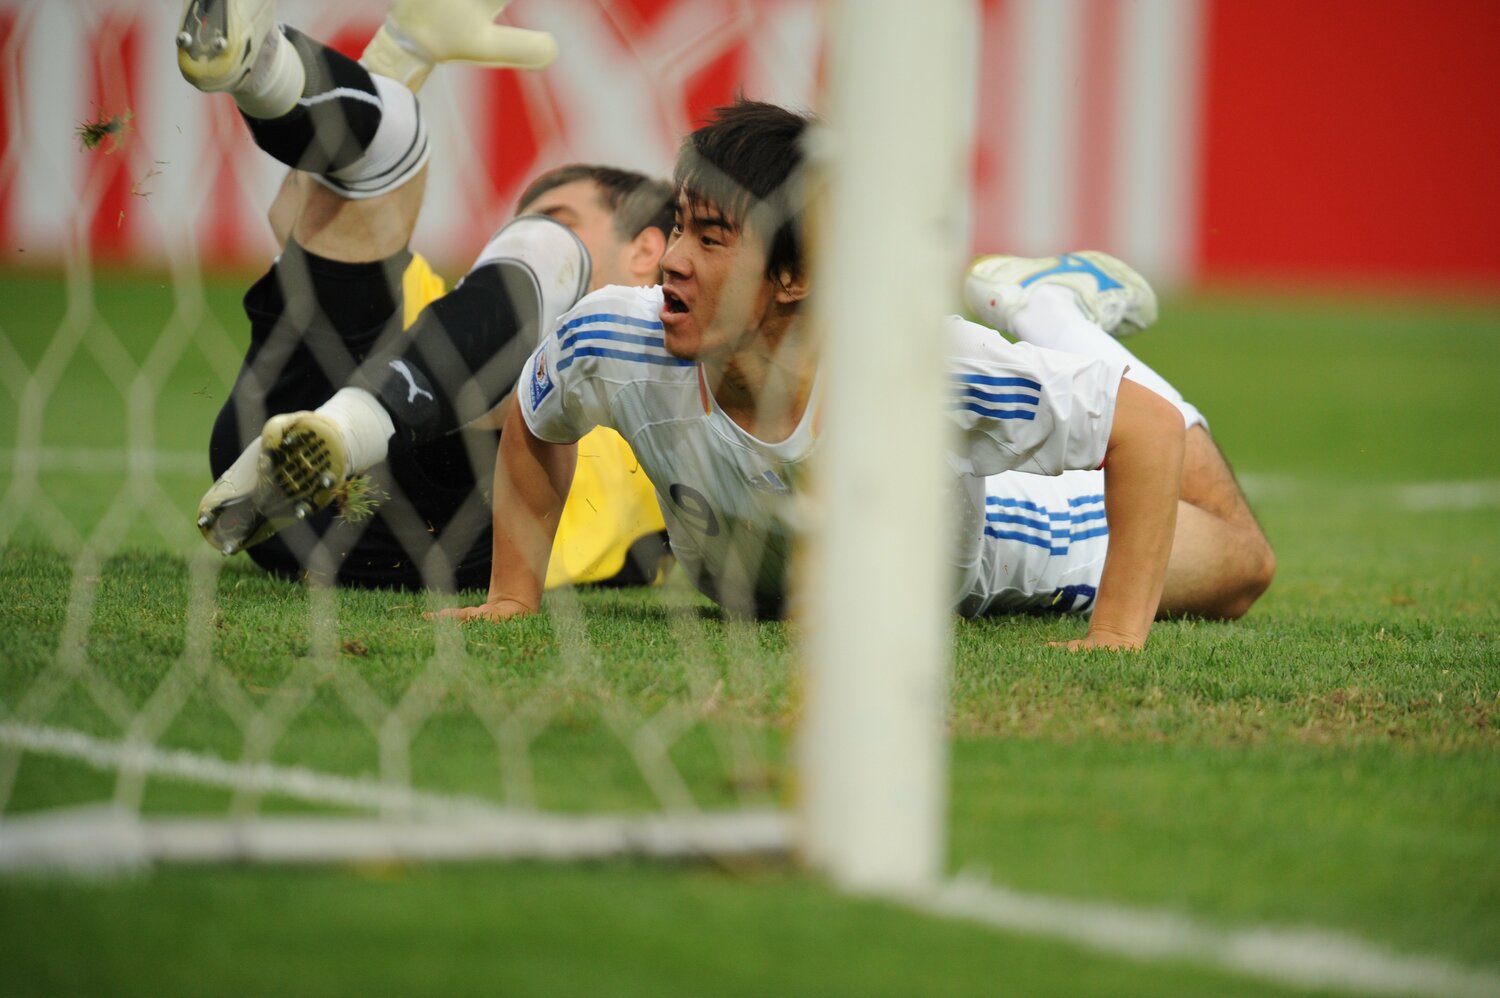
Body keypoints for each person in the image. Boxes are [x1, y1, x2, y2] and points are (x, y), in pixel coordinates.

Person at [434, 100, 1271, 649]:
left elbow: (1145, 430)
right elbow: (538, 422)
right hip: (755, 590)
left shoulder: (914, 370)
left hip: (992, 549)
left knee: (1240, 563)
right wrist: (514, 594)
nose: (675, 262)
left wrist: (1115, 637)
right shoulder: (612, 335)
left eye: (713, 238)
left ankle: (1051, 314)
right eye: (679, 229)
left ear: (794, 278)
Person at [182, 0, 672, 590]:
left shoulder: (675, 367)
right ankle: (261, 67)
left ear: (647, 249)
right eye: (519, 230)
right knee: (398, 140)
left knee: (547, 277)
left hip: (466, 523)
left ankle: (345, 434)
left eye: (565, 217)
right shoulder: (442, 306)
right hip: (282, 450)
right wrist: (400, 55)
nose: (518, 239)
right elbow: (298, 214)